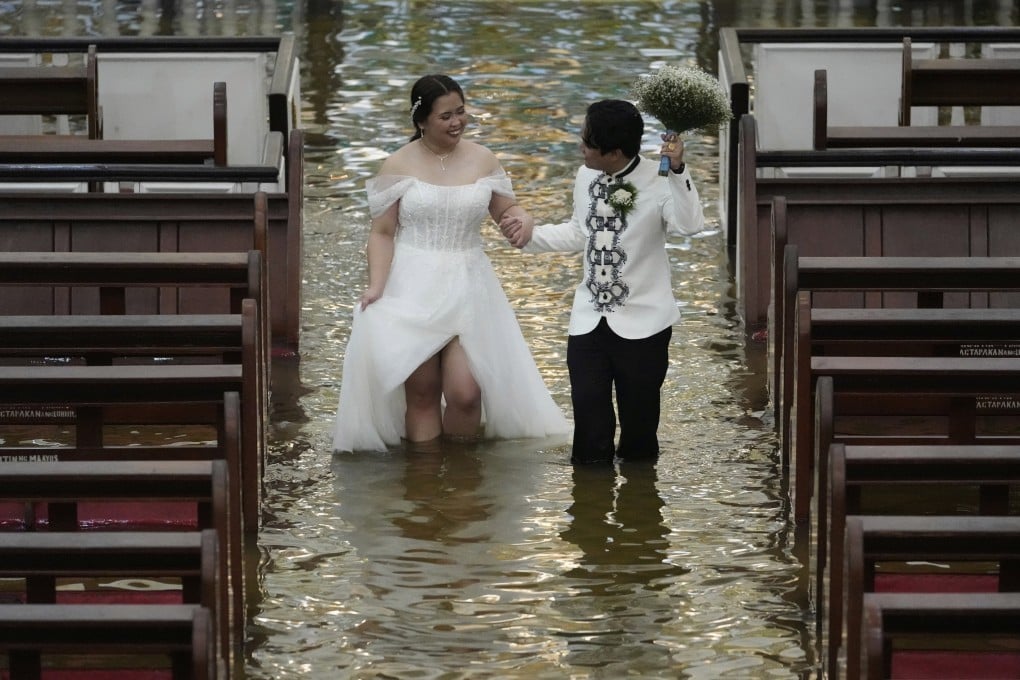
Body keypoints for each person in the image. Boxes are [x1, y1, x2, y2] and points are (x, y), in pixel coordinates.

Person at [332, 74, 570, 453]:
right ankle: (425, 485)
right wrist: (377, 285)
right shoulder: (398, 164)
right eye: (446, 116)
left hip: (469, 281)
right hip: (412, 284)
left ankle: (461, 481)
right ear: (422, 120)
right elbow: (381, 233)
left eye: (461, 112)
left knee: (466, 393)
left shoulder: (483, 158)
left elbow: (507, 208)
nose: (457, 122)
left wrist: (523, 220)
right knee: (423, 392)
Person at [500, 99, 704, 465]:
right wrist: (528, 237)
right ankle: (588, 512)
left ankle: (639, 512)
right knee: (590, 435)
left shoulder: (660, 181)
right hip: (589, 321)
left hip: (646, 325)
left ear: (613, 151)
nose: (580, 148)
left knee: (639, 439)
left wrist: (678, 170)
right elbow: (580, 233)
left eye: (587, 142)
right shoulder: (585, 175)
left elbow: (690, 226)